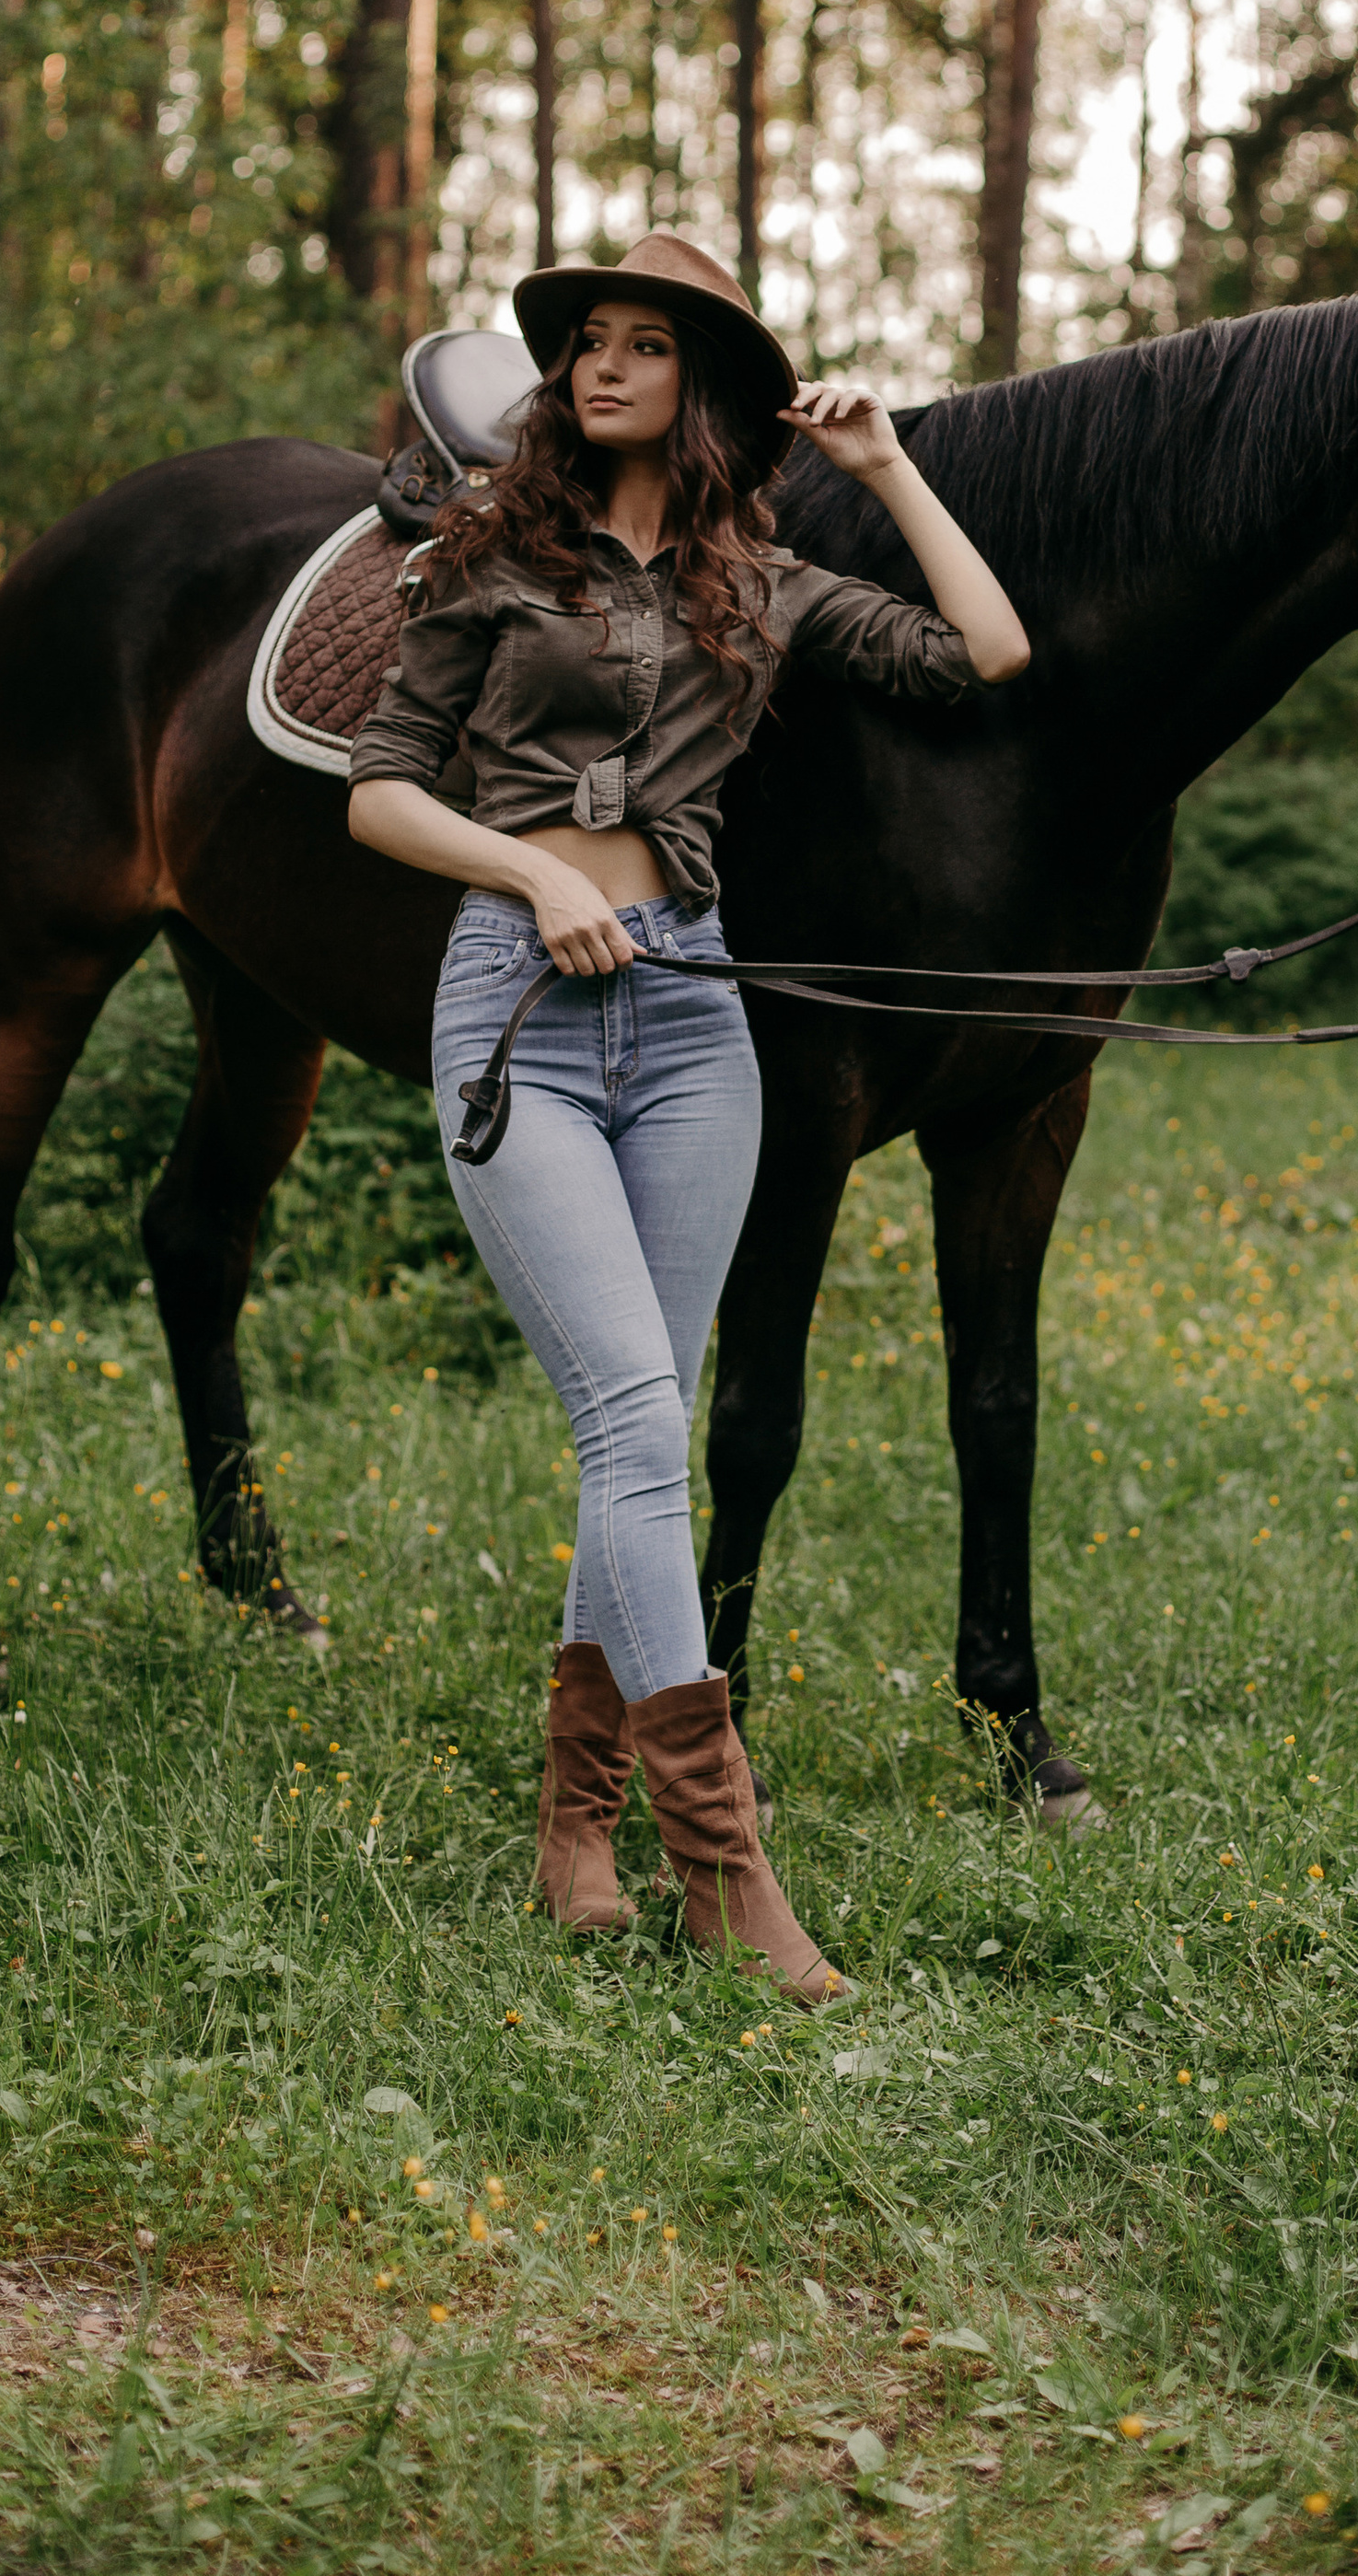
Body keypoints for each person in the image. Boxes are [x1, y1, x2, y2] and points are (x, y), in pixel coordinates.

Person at [346, 231, 1029, 1999]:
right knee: (643, 1428)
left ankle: (575, 1821)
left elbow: (988, 650)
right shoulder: (493, 557)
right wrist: (529, 873)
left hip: (693, 1021)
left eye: (646, 345)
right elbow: (380, 795)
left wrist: (888, 465)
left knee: (634, 1441)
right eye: (588, 339)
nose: (602, 365)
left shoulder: (766, 582)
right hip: (517, 1006)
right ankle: (724, 1863)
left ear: (704, 387)